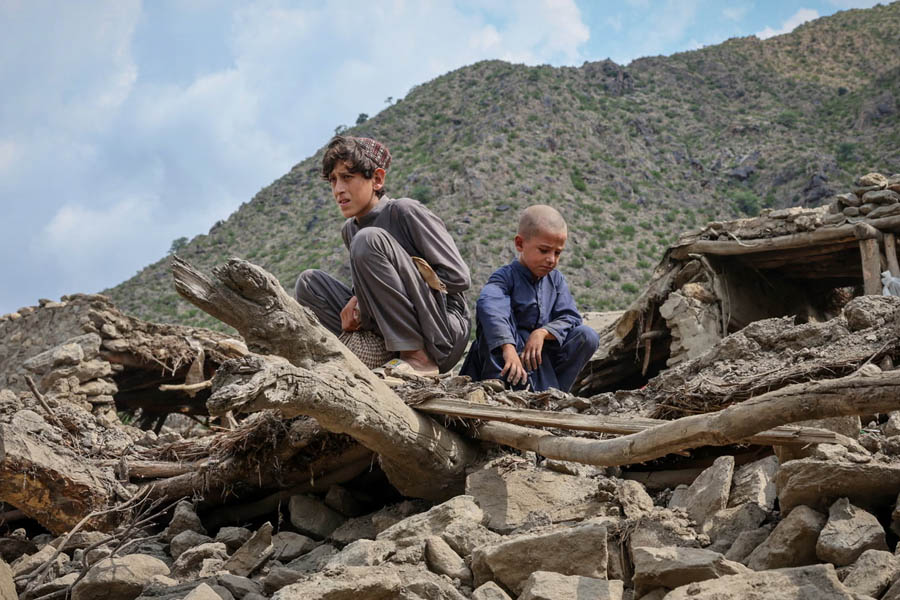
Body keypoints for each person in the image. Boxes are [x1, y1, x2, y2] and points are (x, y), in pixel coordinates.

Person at [294, 135, 470, 375]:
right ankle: (355, 359)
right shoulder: (350, 230)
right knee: (309, 283)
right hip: (390, 330)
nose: (338, 190)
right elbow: (376, 286)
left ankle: (417, 359)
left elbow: (459, 277)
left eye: (347, 177)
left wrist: (404, 278)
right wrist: (357, 306)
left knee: (368, 240)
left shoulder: (404, 211)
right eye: (333, 180)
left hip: (441, 332)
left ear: (376, 179)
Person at [460, 205, 599, 392]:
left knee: (586, 336)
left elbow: (571, 318)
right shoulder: (504, 278)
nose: (551, 259)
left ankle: (555, 393)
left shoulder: (556, 281)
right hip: (505, 363)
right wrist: (508, 348)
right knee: (497, 319)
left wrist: (542, 333)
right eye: (544, 250)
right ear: (519, 244)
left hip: (542, 361)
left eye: (557, 253)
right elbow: (489, 306)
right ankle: (499, 388)